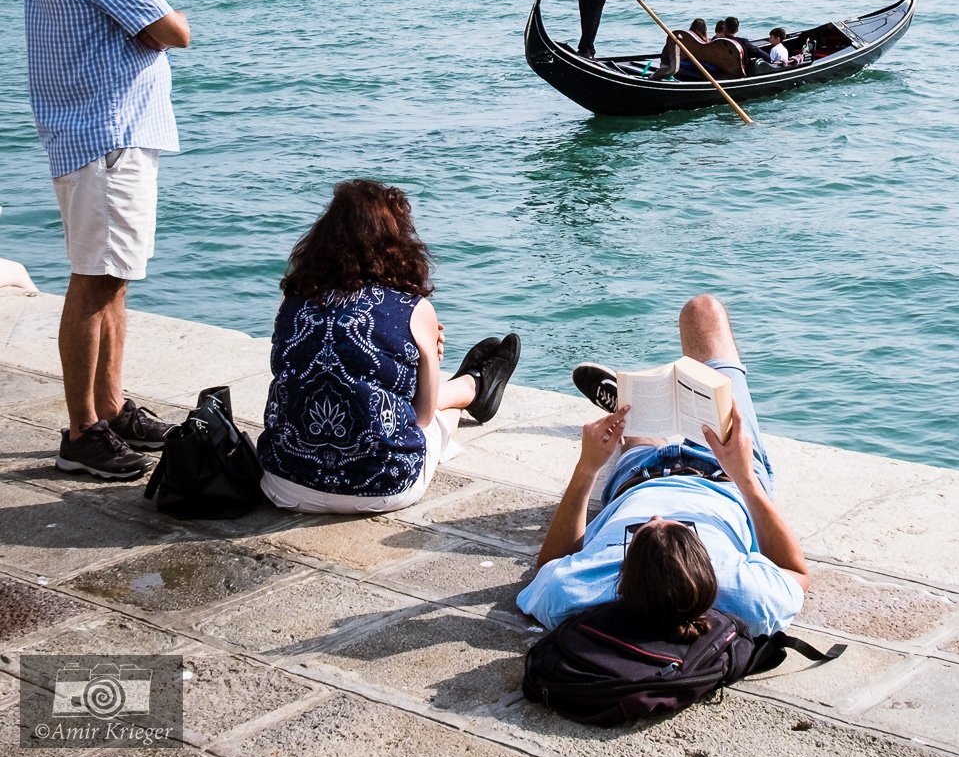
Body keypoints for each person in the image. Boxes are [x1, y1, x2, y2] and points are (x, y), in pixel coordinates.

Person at [24, 0, 190, 481]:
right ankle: (82, 430)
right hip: (104, 135)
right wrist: (175, 17)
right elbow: (170, 31)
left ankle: (111, 408)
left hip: (96, 133)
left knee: (111, 277)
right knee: (95, 281)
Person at [518, 295, 808, 637]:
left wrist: (587, 469)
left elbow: (548, 567)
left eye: (643, 531)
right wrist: (744, 476)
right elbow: (796, 573)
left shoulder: (573, 593)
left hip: (638, 477)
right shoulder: (746, 594)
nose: (657, 516)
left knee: (634, 427)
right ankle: (661, 404)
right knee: (703, 311)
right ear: (707, 569)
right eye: (678, 529)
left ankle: (634, 409)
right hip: (725, 472)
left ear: (620, 583)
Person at [258, 179, 521, 514]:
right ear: (397, 241)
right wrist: (425, 355)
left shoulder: (291, 301)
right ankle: (472, 387)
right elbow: (422, 416)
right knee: (441, 417)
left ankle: (473, 385)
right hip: (383, 488)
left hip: (285, 484)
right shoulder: (413, 309)